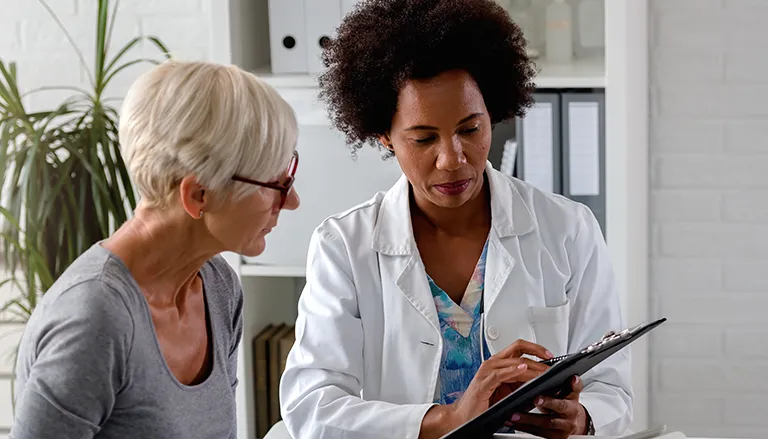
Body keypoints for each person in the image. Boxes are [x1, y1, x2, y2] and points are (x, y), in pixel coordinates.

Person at [278, 1, 632, 438]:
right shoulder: (343, 246)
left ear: (494, 114)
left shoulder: (569, 229)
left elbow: (612, 388)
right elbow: (311, 407)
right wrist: (446, 420)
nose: (453, 160)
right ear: (384, 135)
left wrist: (584, 419)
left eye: (470, 129)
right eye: (424, 138)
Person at [11, 60, 300, 438]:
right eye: (275, 184)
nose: (291, 200)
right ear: (198, 195)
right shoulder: (94, 320)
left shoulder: (219, 289)